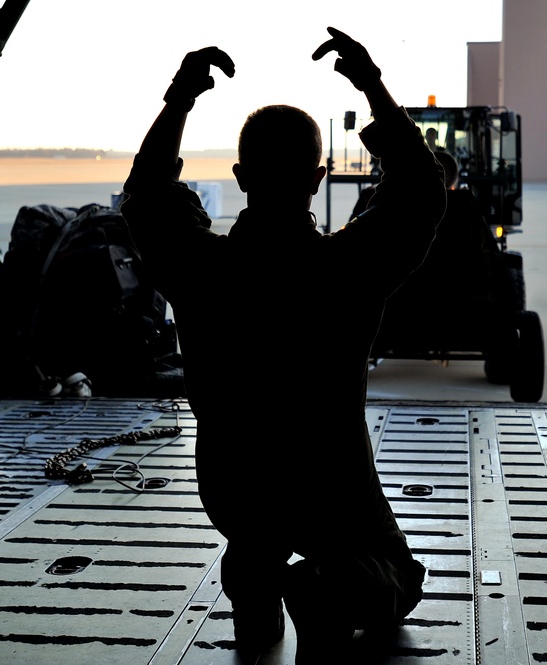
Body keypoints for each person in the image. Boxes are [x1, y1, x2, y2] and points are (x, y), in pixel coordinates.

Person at [120, 28, 445, 664]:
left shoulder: (200, 267)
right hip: (330, 484)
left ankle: (252, 577)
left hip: (233, 485)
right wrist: (372, 86)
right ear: (318, 178)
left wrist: (179, 101)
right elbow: (422, 190)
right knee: (396, 577)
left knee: (257, 527)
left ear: (240, 178)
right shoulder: (348, 269)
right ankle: (324, 591)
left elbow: (147, 194)